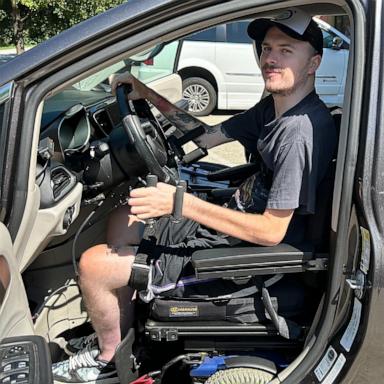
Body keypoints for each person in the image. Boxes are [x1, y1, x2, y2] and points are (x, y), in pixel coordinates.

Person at [52, 8, 337, 383]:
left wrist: (179, 203)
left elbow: (271, 232)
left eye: (286, 50)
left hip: (245, 262)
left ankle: (107, 361)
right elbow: (205, 136)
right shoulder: (275, 109)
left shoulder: (298, 133)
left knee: (93, 265)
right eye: (267, 48)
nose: (270, 58)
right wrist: (147, 94)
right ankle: (121, 327)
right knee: (126, 215)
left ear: (313, 62)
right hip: (225, 226)